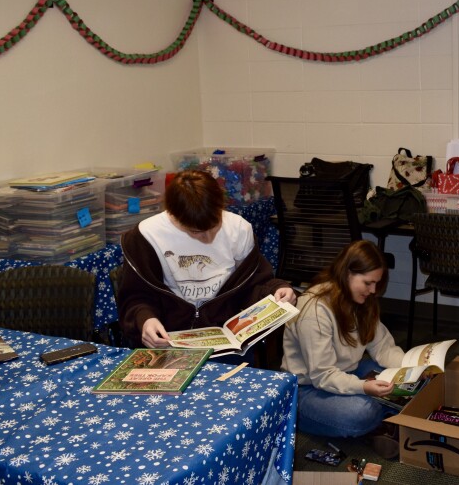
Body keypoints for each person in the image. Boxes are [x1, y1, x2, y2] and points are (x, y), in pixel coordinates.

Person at [117, 169, 297, 351]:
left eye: (214, 226)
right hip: (170, 338)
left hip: (226, 335)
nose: (208, 237)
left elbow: (256, 282)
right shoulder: (146, 237)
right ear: (172, 214)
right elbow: (136, 297)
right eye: (196, 232)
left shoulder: (238, 229)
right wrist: (146, 319)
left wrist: (279, 288)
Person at [281, 240, 403, 453]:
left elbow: (383, 347)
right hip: (307, 389)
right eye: (368, 283)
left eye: (376, 283)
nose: (373, 290)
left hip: (347, 372)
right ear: (347, 273)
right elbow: (323, 375)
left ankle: (381, 422)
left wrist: (412, 367)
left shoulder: (362, 301)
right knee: (362, 412)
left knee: (394, 377)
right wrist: (363, 388)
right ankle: (381, 421)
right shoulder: (315, 309)